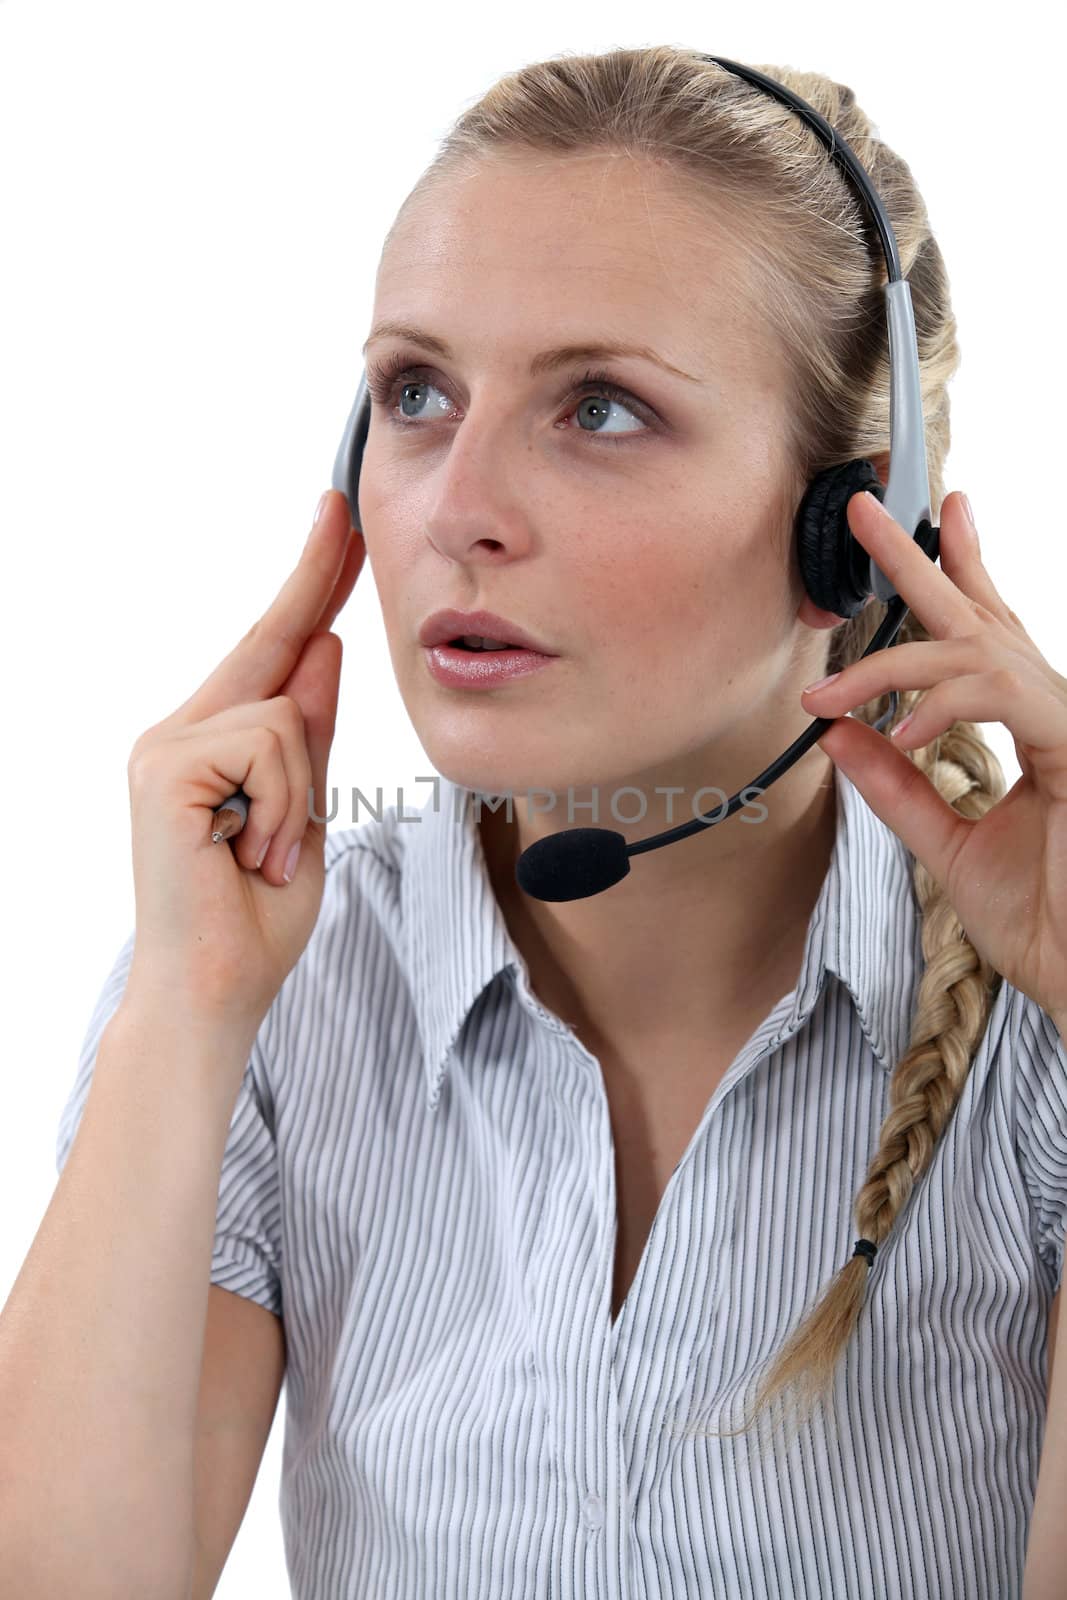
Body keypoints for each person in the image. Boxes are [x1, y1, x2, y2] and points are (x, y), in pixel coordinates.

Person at [3, 45, 1067, 1600]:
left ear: (863, 517)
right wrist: (185, 1002)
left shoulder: (1039, 1025)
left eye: (603, 409)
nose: (454, 506)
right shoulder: (275, 978)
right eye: (416, 394)